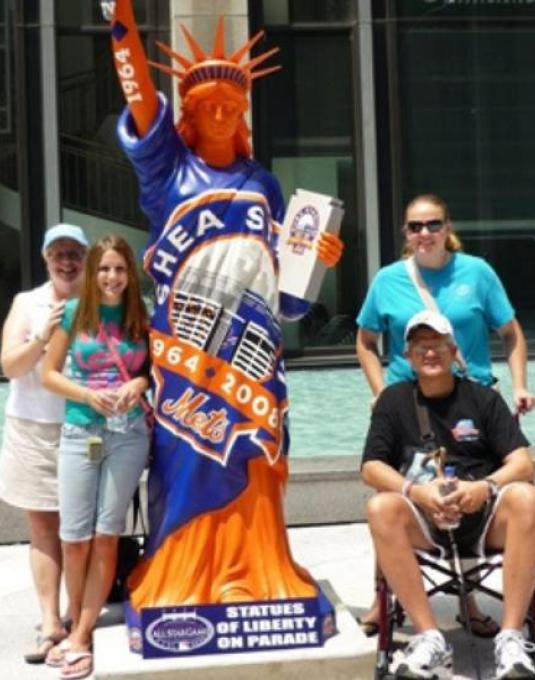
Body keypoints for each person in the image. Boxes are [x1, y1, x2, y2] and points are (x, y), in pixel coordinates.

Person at [106, 0, 343, 625]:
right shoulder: (167, 172)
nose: (218, 114)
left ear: (242, 115)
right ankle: (187, 575)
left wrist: (316, 258)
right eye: (206, 105)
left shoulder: (263, 184)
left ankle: (260, 571)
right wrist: (122, 22)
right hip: (188, 353)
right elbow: (137, 96)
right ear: (188, 114)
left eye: (229, 107)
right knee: (187, 455)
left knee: (255, 456)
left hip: (256, 354)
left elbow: (286, 295)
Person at [356, 192, 533, 636]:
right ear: (405, 233)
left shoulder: (477, 272)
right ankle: (386, 595)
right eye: (415, 227)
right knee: (401, 490)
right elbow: (365, 341)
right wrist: (381, 392)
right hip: (407, 403)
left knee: (482, 484)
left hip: (471, 398)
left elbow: (510, 333)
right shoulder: (389, 279)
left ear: (448, 227)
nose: (425, 234)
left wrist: (519, 384)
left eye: (433, 224)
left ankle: (470, 600)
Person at [361, 310, 535, 679]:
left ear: (453, 350)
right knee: (380, 506)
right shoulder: (393, 401)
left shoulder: (483, 398)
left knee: (526, 497)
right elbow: (371, 467)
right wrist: (417, 493)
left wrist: (484, 487)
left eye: (438, 344)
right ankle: (429, 638)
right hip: (423, 517)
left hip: (485, 516)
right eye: (420, 346)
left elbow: (522, 462)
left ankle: (511, 638)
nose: (429, 353)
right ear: (407, 356)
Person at [41, 234, 150, 680]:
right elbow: (48, 374)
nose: (111, 277)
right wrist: (87, 393)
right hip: (80, 430)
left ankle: (81, 632)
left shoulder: (140, 317)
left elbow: (150, 371)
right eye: (104, 268)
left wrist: (137, 386)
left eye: (119, 269)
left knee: (106, 534)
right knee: (73, 536)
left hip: (128, 435)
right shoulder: (72, 312)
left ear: (130, 274)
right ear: (92, 271)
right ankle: (74, 618)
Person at [0, 224, 88, 664]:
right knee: (43, 527)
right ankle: (50, 621)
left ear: (86, 258)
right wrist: (42, 335)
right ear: (46, 259)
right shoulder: (27, 303)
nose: (67, 262)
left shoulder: (100, 303)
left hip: (85, 429)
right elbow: (11, 367)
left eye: (74, 253)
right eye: (59, 254)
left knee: (81, 529)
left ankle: (78, 618)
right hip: (33, 427)